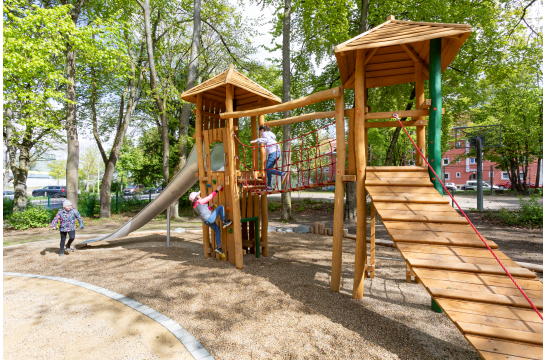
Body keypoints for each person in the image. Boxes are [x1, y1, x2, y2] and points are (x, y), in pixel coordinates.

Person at [189, 186, 232, 256]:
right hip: (209, 219)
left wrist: (210, 207)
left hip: (206, 221)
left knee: (218, 230)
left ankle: (219, 247)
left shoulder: (195, 206)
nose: (199, 195)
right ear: (196, 197)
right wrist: (217, 190)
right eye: (198, 195)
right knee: (221, 207)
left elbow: (204, 211)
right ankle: (224, 222)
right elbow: (209, 197)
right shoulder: (199, 201)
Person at [250, 125, 288, 191]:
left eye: (260, 132)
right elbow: (277, 145)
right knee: (269, 170)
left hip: (273, 153)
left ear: (262, 130)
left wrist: (256, 140)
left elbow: (265, 139)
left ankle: (282, 173)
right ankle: (269, 186)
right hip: (276, 153)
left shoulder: (265, 134)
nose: (260, 134)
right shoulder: (272, 137)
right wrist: (279, 155)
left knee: (267, 169)